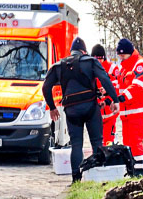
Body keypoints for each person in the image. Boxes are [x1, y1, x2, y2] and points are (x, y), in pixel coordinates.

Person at [43, 37, 119, 183]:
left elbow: (46, 87)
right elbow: (105, 79)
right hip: (90, 107)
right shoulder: (90, 61)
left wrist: (52, 107)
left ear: (71, 51)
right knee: (97, 142)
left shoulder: (59, 65)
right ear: (84, 51)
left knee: (76, 144)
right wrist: (114, 100)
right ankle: (98, 177)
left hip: (71, 110)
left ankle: (76, 179)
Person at [116, 38, 143, 176]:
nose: (120, 57)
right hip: (126, 111)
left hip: (137, 110)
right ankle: (131, 169)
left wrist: (123, 97)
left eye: (122, 54)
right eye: (119, 55)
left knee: (136, 141)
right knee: (127, 142)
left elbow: (138, 85)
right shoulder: (123, 67)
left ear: (129, 52)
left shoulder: (141, 64)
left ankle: (139, 171)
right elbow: (118, 86)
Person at [91, 43, 120, 145]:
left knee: (108, 140)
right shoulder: (90, 69)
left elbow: (117, 86)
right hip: (96, 110)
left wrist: (107, 92)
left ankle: (109, 157)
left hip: (109, 111)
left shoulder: (112, 68)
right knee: (97, 141)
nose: (99, 61)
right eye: (96, 58)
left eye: (100, 58)